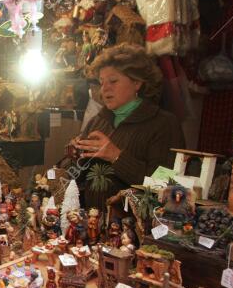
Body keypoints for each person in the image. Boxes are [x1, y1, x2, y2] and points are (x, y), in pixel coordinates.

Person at [68, 43, 186, 209]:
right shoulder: (98, 121)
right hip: (92, 223)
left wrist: (116, 156)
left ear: (137, 83)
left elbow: (165, 185)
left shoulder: (163, 124)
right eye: (102, 82)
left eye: (113, 81)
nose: (105, 89)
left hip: (133, 230)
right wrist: (75, 155)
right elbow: (77, 177)